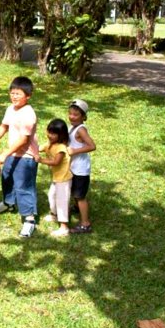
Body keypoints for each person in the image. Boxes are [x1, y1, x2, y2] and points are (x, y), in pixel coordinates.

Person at [0, 76, 40, 238]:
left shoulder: (28, 114)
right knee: (6, 177)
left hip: (26, 156)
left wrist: (4, 153)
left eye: (18, 94)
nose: (14, 96)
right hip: (13, 153)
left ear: (28, 96)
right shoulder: (10, 109)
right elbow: (3, 126)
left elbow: (24, 140)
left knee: (23, 186)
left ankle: (29, 219)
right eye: (12, 93)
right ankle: (9, 203)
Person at [33, 118, 72, 237]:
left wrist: (41, 160)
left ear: (61, 135)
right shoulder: (50, 144)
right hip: (56, 178)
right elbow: (39, 148)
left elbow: (56, 162)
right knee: (51, 196)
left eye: (54, 133)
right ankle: (54, 215)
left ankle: (64, 227)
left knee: (62, 201)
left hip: (64, 179)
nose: (50, 135)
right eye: (49, 132)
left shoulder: (60, 148)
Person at [66, 99, 96, 234]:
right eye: (70, 113)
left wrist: (74, 151)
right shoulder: (71, 127)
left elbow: (92, 146)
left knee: (80, 196)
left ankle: (85, 224)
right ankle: (76, 207)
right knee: (74, 191)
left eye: (75, 115)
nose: (72, 117)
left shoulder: (81, 129)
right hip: (73, 167)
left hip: (81, 169)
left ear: (83, 117)